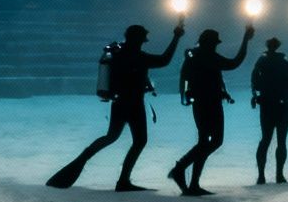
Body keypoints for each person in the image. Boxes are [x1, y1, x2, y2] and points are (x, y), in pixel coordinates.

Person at [46, 19, 184, 191]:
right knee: (138, 140)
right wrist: (176, 37)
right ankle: (122, 180)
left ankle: (84, 160)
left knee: (112, 137)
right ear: (139, 40)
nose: (143, 42)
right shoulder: (137, 57)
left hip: (120, 102)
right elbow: (164, 60)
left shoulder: (119, 54)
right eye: (142, 39)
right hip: (132, 103)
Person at [168, 24, 254, 196]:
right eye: (215, 43)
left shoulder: (194, 56)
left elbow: (185, 77)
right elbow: (233, 63)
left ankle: (190, 181)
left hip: (201, 103)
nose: (216, 46)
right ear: (210, 43)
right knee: (213, 141)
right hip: (210, 104)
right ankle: (182, 171)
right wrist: (245, 40)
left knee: (205, 142)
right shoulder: (207, 56)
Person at [250, 37, 288, 184]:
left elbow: (255, 82)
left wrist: (264, 89)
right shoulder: (284, 59)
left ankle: (261, 175)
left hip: (266, 104)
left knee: (265, 139)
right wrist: (284, 85)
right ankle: (279, 174)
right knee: (281, 141)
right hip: (282, 104)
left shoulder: (261, 60)